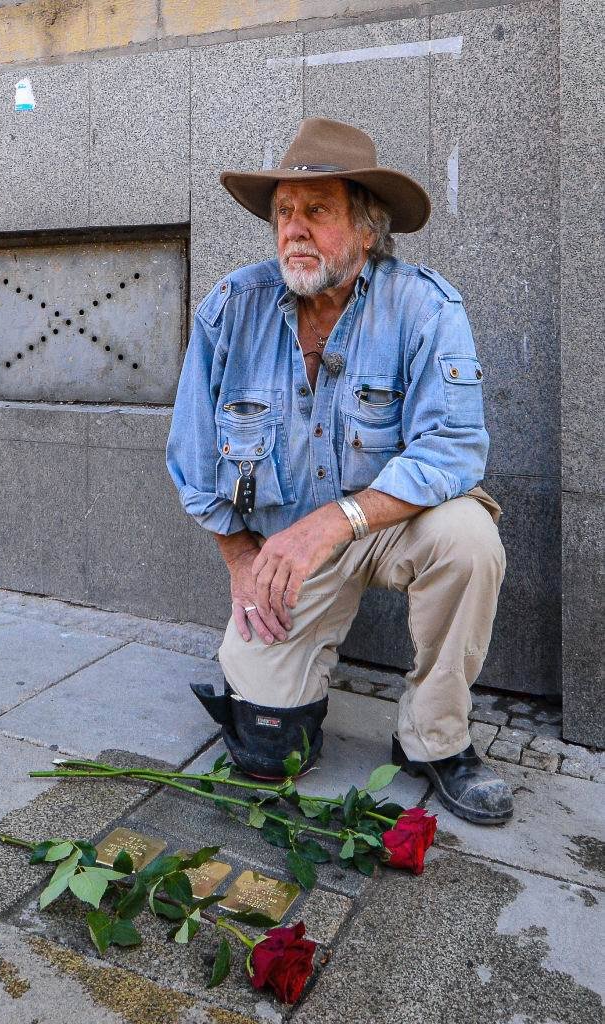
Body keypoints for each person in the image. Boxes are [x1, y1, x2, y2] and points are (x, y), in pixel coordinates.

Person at [166, 117, 513, 825]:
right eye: (283, 213)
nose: (292, 228)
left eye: (316, 210)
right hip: (285, 546)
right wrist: (240, 558)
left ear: (365, 229)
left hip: (388, 524)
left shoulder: (423, 305)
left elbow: (453, 447)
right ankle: (284, 704)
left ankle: (436, 739)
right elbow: (194, 452)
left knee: (469, 539)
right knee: (268, 754)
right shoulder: (232, 306)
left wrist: (338, 520)